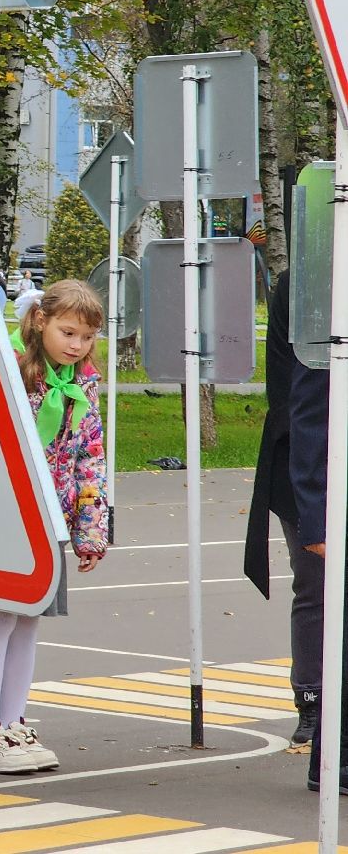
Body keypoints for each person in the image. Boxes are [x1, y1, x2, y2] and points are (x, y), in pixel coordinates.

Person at [0, 279, 108, 775]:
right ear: (40, 321)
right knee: (0, 617)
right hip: (7, 514)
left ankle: (14, 719)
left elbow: (90, 457)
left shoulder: (83, 384)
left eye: (87, 337)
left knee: (31, 618)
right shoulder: (14, 373)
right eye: (68, 332)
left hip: (51, 519)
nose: (76, 345)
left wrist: (91, 529)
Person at [245, 275, 324, 752]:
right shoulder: (304, 286)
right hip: (305, 460)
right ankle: (312, 699)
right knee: (316, 582)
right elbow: (293, 395)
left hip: (309, 455)